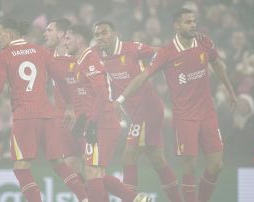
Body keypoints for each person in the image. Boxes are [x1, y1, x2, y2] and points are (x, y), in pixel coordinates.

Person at [114, 8, 237, 202]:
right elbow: (143, 76)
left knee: (217, 165)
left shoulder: (204, 42)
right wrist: (120, 99)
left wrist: (230, 91)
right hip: (185, 116)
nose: (193, 25)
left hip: (207, 113)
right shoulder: (167, 52)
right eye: (187, 22)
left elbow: (217, 64)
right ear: (177, 26)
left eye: (194, 21)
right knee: (189, 166)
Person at [0, 18, 87, 202]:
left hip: (24, 117)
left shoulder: (3, 55)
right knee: (59, 163)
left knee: (21, 167)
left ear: (10, 34)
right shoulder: (41, 51)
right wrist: (69, 106)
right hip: (47, 115)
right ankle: (85, 198)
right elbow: (61, 79)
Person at [93, 20, 182, 202]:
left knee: (128, 156)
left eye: (104, 33)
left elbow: (164, 52)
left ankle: (132, 199)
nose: (101, 37)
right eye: (97, 34)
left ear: (115, 33)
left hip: (147, 108)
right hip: (134, 112)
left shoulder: (133, 48)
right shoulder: (96, 54)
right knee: (157, 159)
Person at [64, 24, 151, 202]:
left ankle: (135, 198)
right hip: (96, 121)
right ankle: (136, 199)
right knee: (95, 172)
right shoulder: (80, 61)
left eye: (68, 38)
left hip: (103, 123)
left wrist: (93, 123)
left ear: (79, 39)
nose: (65, 42)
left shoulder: (90, 59)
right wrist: (82, 121)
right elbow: (88, 98)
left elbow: (102, 94)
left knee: (92, 171)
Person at [44, 18, 89, 201]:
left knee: (92, 167)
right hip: (62, 119)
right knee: (70, 165)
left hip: (86, 117)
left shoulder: (80, 54)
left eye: (49, 29)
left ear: (62, 34)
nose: (45, 33)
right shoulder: (47, 58)